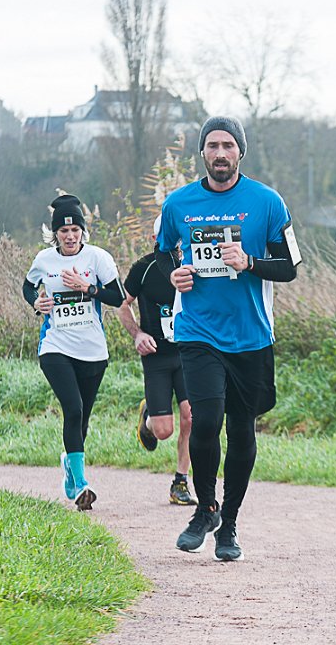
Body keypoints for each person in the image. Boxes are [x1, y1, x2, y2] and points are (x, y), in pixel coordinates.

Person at [155, 116, 301, 561]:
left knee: (241, 429)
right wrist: (174, 275)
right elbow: (162, 257)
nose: (220, 153)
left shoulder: (267, 202)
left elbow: (290, 267)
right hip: (198, 331)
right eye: (213, 146)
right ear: (202, 152)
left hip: (251, 336)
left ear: (240, 151)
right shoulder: (178, 204)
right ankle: (205, 509)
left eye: (228, 145)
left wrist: (250, 262)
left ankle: (229, 524)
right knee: (204, 421)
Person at [22, 194, 125, 511]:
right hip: (55, 345)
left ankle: (70, 465)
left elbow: (118, 297)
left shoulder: (98, 258)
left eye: (75, 230)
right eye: (64, 231)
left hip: (92, 350)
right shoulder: (45, 260)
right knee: (73, 408)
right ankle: (81, 485)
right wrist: (36, 303)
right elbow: (28, 286)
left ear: (83, 232)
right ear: (55, 234)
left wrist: (87, 288)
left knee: (82, 420)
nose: (70, 236)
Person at [117, 216, 197, 506]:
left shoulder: (194, 266)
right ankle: (148, 418)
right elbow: (121, 304)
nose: (174, 245)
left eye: (179, 239)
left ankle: (180, 482)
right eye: (167, 239)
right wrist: (138, 334)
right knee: (163, 431)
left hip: (188, 354)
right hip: (157, 357)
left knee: (191, 416)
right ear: (155, 240)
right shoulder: (144, 267)